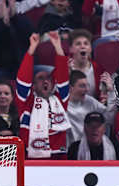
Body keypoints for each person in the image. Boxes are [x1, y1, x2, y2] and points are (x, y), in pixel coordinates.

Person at [17, 31, 71, 159]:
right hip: (30, 155)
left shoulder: (60, 100)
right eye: (40, 78)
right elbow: (23, 80)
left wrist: (58, 46)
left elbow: (62, 77)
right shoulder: (26, 102)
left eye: (48, 78)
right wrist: (32, 49)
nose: (46, 80)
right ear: (33, 86)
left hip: (58, 155)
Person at [65, 70, 116, 145]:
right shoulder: (61, 105)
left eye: (87, 85)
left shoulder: (90, 101)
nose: (87, 89)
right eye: (82, 86)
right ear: (70, 88)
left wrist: (111, 92)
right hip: (70, 151)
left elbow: (110, 119)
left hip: (91, 149)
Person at [67, 28, 109, 102]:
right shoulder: (64, 69)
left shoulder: (99, 69)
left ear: (90, 49)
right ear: (71, 49)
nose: (82, 46)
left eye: (86, 43)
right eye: (78, 44)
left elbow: (103, 96)